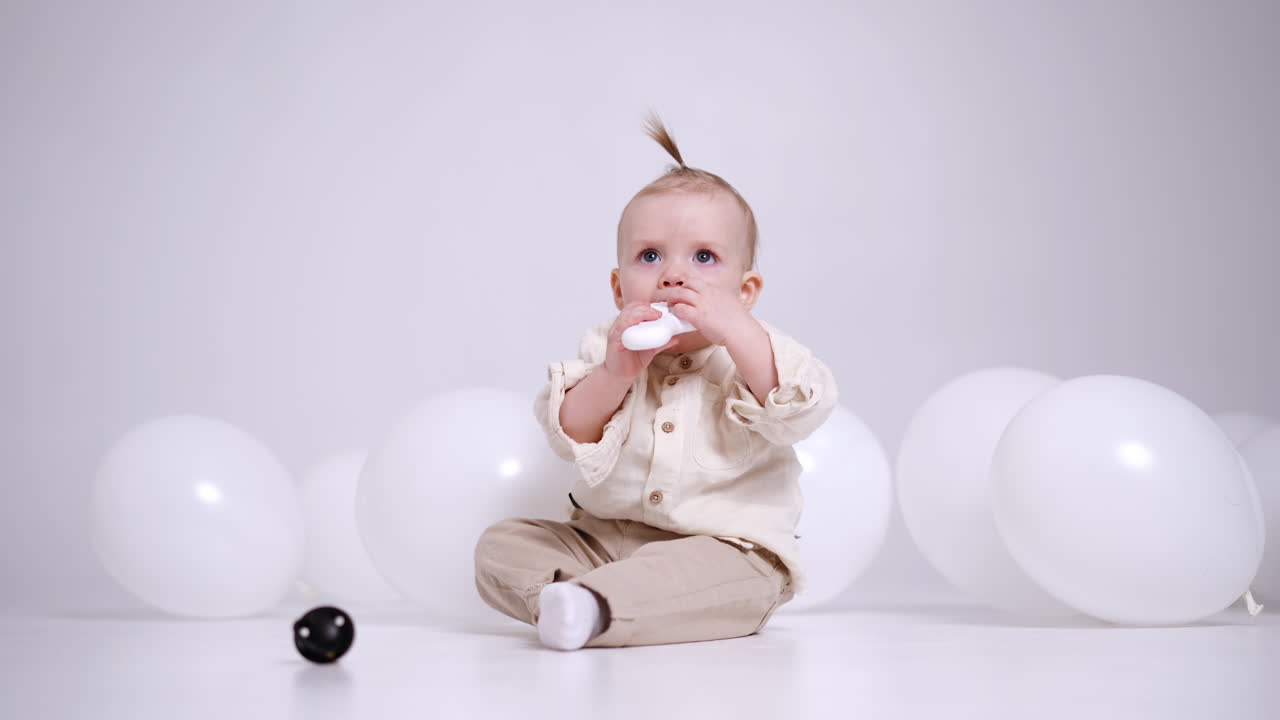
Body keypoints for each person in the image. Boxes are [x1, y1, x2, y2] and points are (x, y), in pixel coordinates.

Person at [474, 113, 838, 650]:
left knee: (733, 576)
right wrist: (617, 372)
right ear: (621, 289)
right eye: (650, 256)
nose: (674, 275)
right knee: (501, 545)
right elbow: (568, 432)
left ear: (746, 291)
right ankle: (590, 602)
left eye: (704, 257)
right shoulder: (609, 347)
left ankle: (597, 606)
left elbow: (800, 409)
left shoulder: (756, 353)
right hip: (604, 542)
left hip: (724, 550)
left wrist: (737, 331)